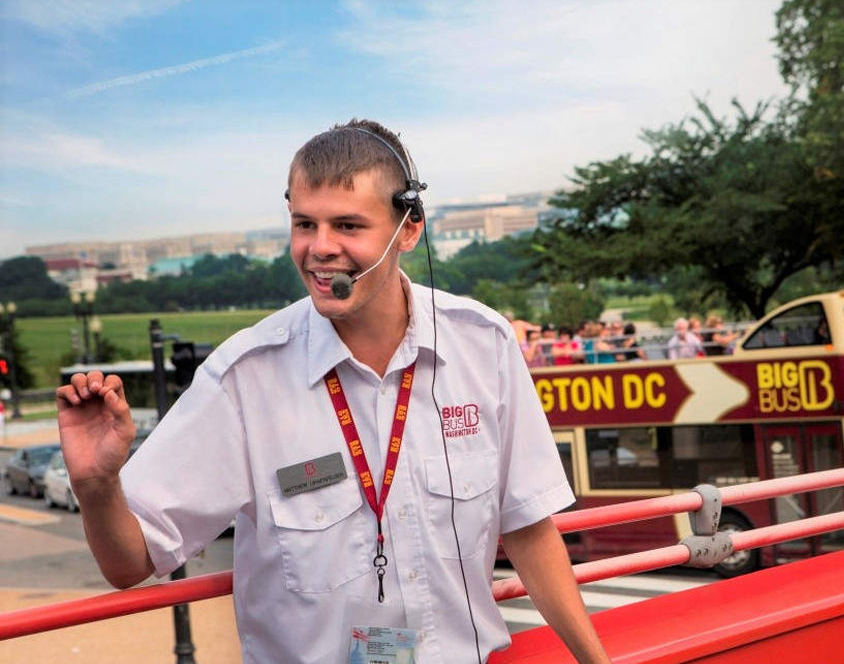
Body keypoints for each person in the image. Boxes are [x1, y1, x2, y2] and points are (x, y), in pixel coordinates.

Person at [55, 120, 610, 664]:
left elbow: (530, 531)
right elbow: (129, 563)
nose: (320, 249)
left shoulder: (483, 345)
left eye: (347, 225)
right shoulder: (243, 379)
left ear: (408, 230)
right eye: (304, 224)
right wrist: (96, 483)